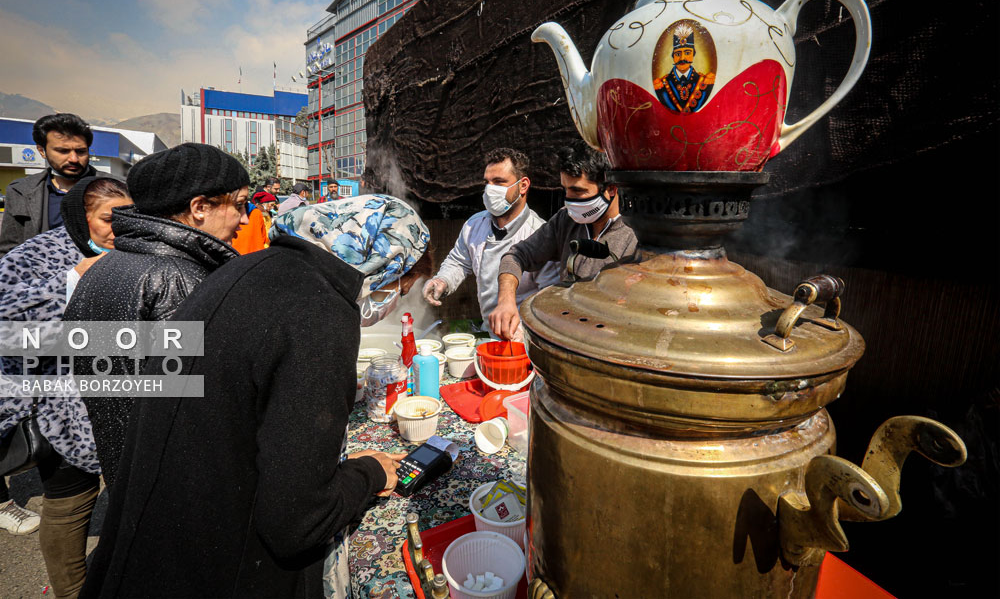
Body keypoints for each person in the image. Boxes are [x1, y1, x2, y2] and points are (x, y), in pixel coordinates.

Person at [80, 195, 430, 598]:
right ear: (385, 264)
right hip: (214, 568)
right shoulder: (320, 310)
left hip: (146, 541)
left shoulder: (250, 267)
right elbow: (299, 521)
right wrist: (369, 473)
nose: (394, 304)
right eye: (402, 288)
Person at [63, 143, 249, 489]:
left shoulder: (108, 265)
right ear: (200, 207)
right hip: (178, 482)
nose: (246, 218)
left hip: (129, 468)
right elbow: (204, 406)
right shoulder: (179, 278)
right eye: (239, 205)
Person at [0, 177, 131, 596]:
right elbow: (7, 329)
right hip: (59, 406)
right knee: (71, 498)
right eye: (109, 219)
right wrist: (73, 280)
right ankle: (72, 591)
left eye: (129, 218)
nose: (119, 229)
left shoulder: (132, 253)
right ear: (81, 218)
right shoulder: (36, 255)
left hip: (125, 397)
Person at [489, 144, 638, 339]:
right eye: (565, 189)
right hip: (565, 336)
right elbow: (517, 255)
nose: (568, 199)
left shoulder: (638, 234)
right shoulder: (565, 220)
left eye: (577, 191)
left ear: (610, 189)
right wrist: (506, 301)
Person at [421, 148, 559, 328]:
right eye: (488, 182)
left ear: (523, 185)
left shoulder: (540, 235)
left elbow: (549, 298)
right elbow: (459, 261)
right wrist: (442, 280)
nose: (490, 189)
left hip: (524, 337)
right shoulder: (475, 225)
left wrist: (525, 332)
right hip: (489, 330)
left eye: (499, 182)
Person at [0, 114, 108, 257]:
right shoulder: (20, 192)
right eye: (63, 151)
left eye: (81, 151)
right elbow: (8, 250)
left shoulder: (117, 188)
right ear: (41, 151)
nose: (73, 159)